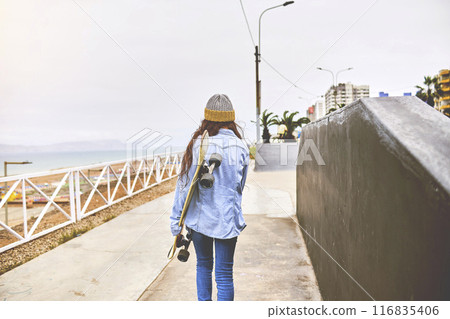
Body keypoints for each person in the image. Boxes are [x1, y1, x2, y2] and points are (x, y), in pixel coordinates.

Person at [170, 94, 249, 301]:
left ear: (207, 119)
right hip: (227, 220)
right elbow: (240, 186)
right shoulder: (241, 147)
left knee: (203, 266)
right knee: (224, 275)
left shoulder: (197, 145)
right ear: (231, 120)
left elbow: (184, 188)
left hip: (199, 220)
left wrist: (175, 225)